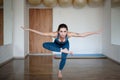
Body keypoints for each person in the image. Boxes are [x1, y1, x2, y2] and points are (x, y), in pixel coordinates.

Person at [21, 23, 102, 78]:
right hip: (57, 46)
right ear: (58, 31)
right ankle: (62, 50)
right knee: (44, 44)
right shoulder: (54, 34)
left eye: (64, 31)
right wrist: (28, 29)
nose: (63, 33)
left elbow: (82, 35)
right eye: (61, 31)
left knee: (63, 58)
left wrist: (95, 32)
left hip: (65, 45)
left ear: (67, 31)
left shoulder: (69, 34)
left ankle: (60, 71)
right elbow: (41, 33)